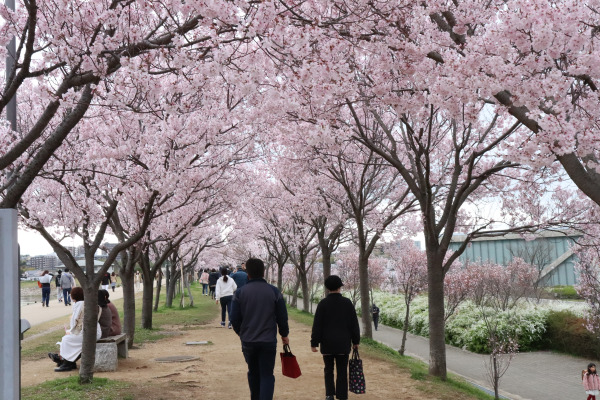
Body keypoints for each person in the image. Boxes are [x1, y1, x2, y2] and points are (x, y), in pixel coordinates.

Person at [231, 258, 289, 400]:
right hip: (268, 340)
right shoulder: (274, 292)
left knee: (253, 373)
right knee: (267, 375)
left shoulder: (240, 293)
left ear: (247, 273)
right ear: (263, 272)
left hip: (248, 341)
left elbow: (234, 319)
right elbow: (282, 317)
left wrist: (242, 333)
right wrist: (284, 334)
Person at [311, 275, 360, 400]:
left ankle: (329, 394)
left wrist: (314, 342)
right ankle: (342, 395)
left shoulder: (323, 304)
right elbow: (354, 324)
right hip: (343, 344)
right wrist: (356, 341)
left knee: (328, 370)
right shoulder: (347, 303)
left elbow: (317, 325)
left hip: (327, 344)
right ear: (339, 287)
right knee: (342, 371)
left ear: (327, 288)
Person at [48, 287, 102, 372]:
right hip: (94, 332)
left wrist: (70, 331)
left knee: (66, 339)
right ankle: (66, 360)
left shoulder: (79, 305)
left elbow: (75, 321)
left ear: (73, 296)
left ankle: (67, 363)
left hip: (88, 333)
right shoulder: (87, 303)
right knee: (69, 339)